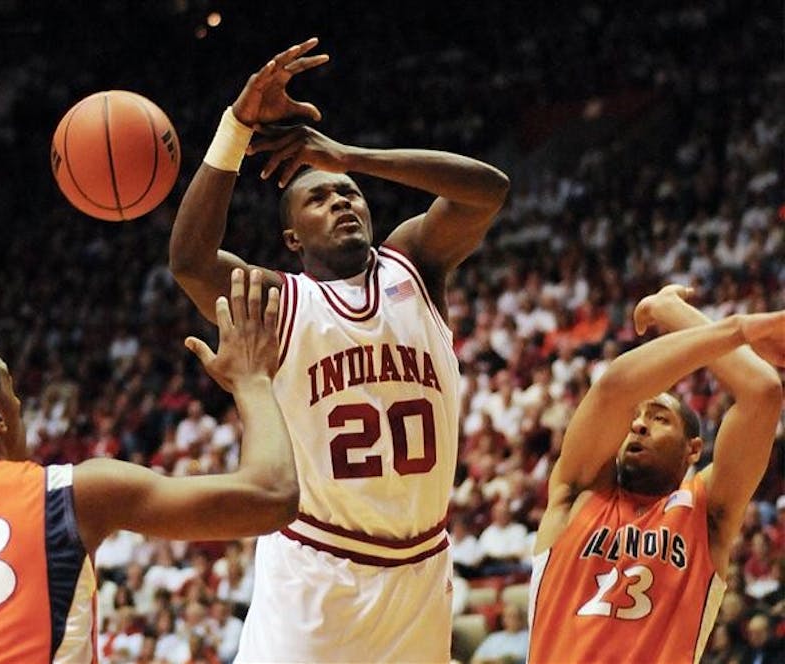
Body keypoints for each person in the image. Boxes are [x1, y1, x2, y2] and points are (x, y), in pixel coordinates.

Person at [170, 37, 510, 662]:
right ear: (292, 237)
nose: (342, 202)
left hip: (421, 571)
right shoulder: (279, 301)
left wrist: (348, 156)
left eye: (349, 193)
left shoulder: (417, 267)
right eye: (319, 198)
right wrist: (236, 127)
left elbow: (488, 189)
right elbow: (190, 260)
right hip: (318, 570)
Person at [0, 269, 298, 663]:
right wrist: (253, 381)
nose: (22, 400)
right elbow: (272, 497)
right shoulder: (68, 494)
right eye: (11, 389)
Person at [528, 285, 785, 664]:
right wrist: (741, 328)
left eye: (659, 418)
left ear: (693, 449)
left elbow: (762, 390)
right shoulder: (576, 491)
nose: (639, 426)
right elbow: (616, 387)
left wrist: (672, 312)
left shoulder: (706, 513)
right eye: (636, 416)